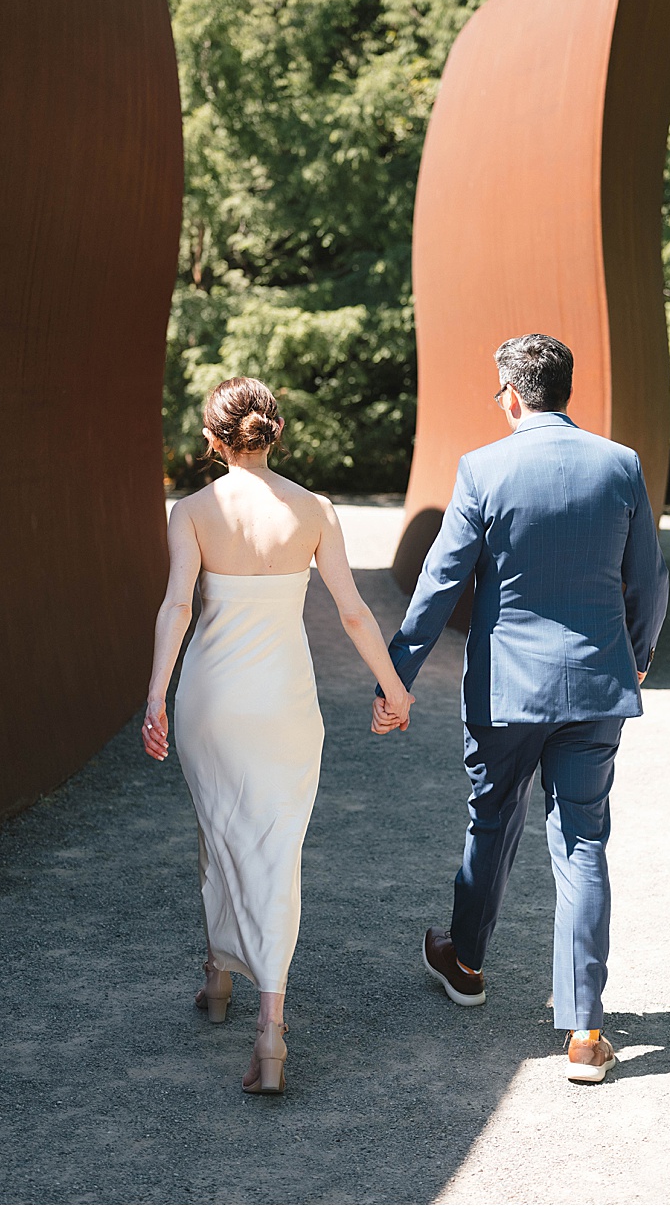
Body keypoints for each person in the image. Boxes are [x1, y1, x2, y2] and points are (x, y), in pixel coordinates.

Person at [373, 333, 668, 1084]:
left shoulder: (483, 468)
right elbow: (650, 581)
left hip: (506, 691)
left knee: (493, 818)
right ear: (563, 389)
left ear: (511, 393)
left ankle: (466, 964)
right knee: (581, 844)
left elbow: (441, 581)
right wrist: (637, 652)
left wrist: (395, 677)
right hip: (598, 687)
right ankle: (583, 1030)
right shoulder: (620, 464)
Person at [141, 376, 414, 1095]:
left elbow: (176, 604)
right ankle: (271, 1028)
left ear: (212, 438)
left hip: (210, 696)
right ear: (275, 432)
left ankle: (218, 978)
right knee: (275, 846)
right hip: (285, 699)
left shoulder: (192, 510)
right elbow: (353, 611)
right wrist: (393, 685)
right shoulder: (314, 509)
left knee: (217, 825)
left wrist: (154, 695)